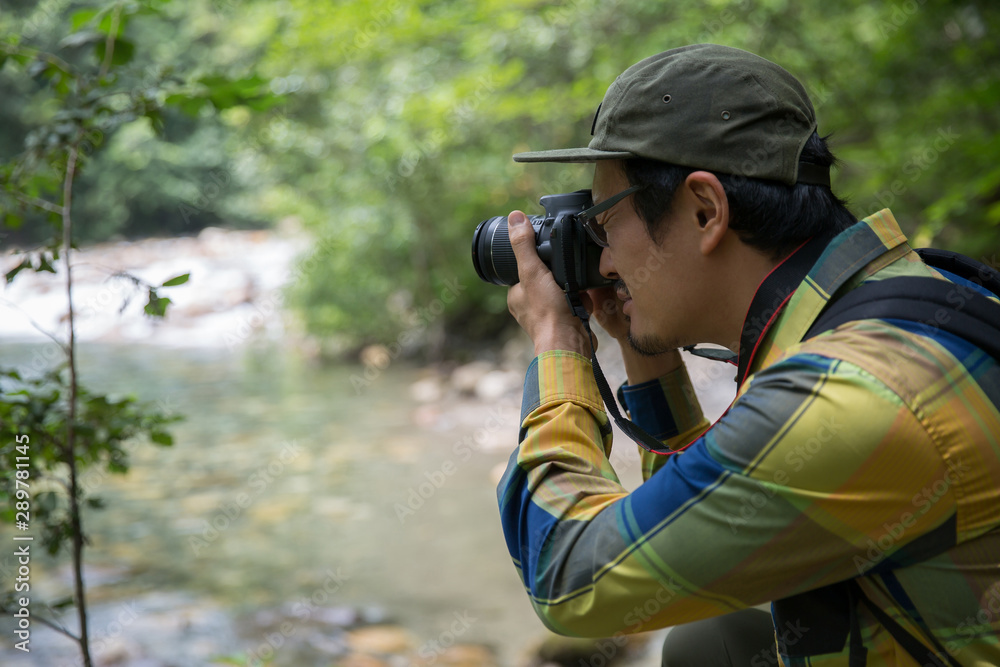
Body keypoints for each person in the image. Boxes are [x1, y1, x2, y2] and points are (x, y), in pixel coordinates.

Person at [496, 44, 1000, 666]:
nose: (602, 261)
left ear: (705, 210)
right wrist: (632, 337)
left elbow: (569, 576)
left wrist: (557, 346)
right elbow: (699, 512)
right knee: (714, 645)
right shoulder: (890, 303)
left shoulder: (855, 392)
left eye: (604, 223)